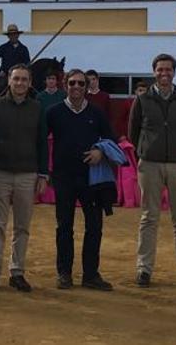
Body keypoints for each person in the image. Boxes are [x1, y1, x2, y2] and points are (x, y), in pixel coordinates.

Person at [129, 53, 176, 289]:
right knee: (149, 217)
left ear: (174, 72)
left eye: (168, 70)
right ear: (154, 72)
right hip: (150, 163)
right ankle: (144, 269)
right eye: (160, 70)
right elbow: (133, 131)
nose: (164, 74)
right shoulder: (142, 100)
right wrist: (146, 149)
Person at [46, 68, 117, 290]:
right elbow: (40, 141)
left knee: (94, 227)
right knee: (64, 226)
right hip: (64, 177)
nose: (76, 87)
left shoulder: (96, 113)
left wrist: (100, 152)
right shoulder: (53, 112)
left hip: (91, 179)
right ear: (64, 85)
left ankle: (90, 274)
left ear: (87, 87)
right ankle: (64, 273)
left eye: (81, 84)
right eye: (72, 83)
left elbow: (111, 139)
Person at [0, 64, 47, 293]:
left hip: (28, 174)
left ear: (30, 83)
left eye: (24, 79)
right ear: (9, 80)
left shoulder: (37, 108)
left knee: (22, 227)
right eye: (16, 79)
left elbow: (41, 143)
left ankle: (17, 272)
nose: (20, 83)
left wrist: (43, 173)